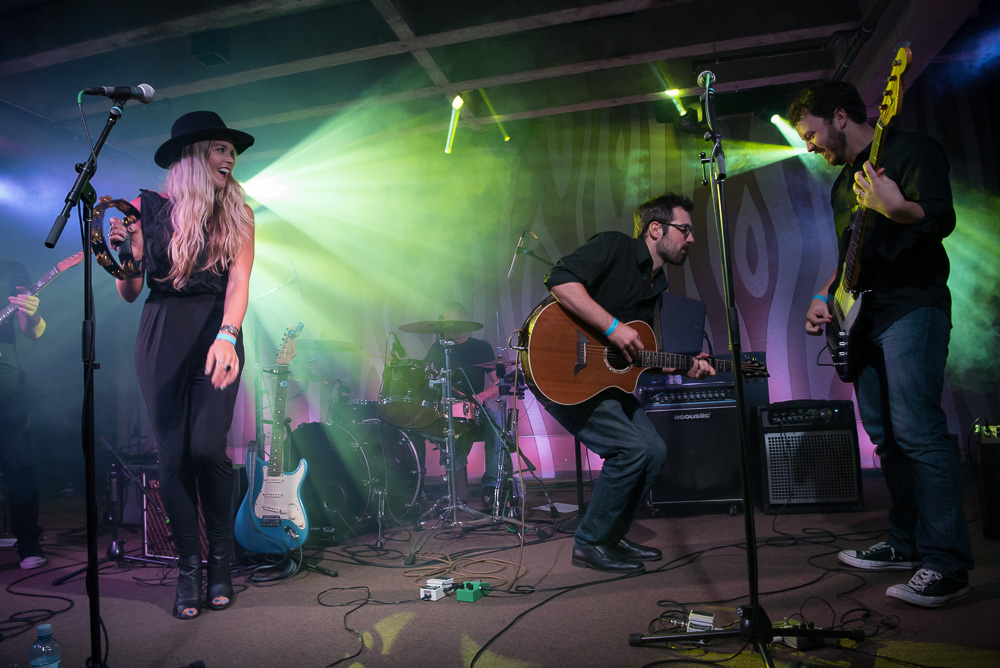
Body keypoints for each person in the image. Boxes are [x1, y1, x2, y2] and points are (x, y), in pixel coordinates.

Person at [789, 80, 973, 608]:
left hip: (913, 307)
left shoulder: (908, 150)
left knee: (919, 431)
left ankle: (947, 564)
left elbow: (940, 217)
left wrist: (897, 207)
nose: (809, 146)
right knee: (887, 438)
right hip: (863, 320)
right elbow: (855, 256)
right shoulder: (841, 185)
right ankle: (906, 543)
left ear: (841, 116)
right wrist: (825, 296)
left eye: (811, 134)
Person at [108, 111, 255, 619]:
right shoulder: (147, 210)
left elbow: (239, 283)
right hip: (160, 332)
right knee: (172, 456)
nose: (230, 156)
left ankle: (221, 560)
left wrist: (229, 336)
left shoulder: (239, 213)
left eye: (230, 149)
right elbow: (129, 291)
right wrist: (124, 252)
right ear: (193, 158)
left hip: (217, 331)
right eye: (218, 147)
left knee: (207, 447)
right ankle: (190, 567)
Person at [542, 192, 715, 573]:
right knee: (633, 449)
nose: (690, 239)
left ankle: (610, 535)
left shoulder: (656, 286)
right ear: (656, 229)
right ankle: (589, 544)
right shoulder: (614, 246)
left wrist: (684, 366)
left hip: (604, 384)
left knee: (653, 451)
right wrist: (613, 326)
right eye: (684, 230)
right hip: (563, 372)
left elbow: (630, 359)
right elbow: (559, 279)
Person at [421, 302, 517, 512]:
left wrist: (480, 396)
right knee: (449, 431)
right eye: (444, 322)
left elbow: (498, 383)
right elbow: (425, 383)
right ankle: (458, 493)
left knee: (497, 422)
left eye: (452, 321)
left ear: (464, 321)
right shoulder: (438, 348)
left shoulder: (480, 347)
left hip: (477, 410)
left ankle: (492, 488)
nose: (447, 326)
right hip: (450, 412)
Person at [1, 257, 47, 569]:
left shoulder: (12, 268)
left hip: (6, 379)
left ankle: (29, 543)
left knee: (19, 465)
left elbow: (34, 332)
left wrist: (31, 316)